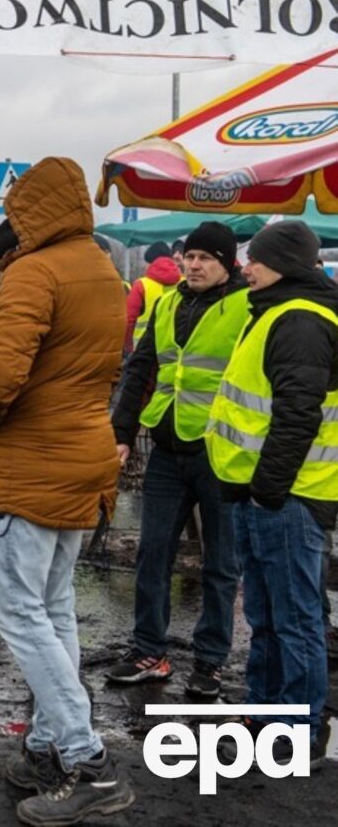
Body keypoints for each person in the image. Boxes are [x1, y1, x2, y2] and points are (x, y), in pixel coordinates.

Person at [0, 158, 133, 825]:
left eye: (17, 205)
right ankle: (44, 745)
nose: (12, 215)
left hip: (32, 467)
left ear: (38, 208)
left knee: (19, 614)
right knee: (55, 607)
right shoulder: (102, 265)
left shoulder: (34, 270)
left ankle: (89, 761)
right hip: (84, 460)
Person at [205, 220, 336, 766]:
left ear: (281, 262)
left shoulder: (300, 319)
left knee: (295, 618)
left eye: (253, 258)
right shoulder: (278, 310)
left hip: (287, 497)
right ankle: (263, 711)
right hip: (266, 494)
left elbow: (296, 415)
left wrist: (266, 489)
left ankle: (298, 728)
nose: (245, 266)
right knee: (266, 613)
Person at [108, 222, 249, 697]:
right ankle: (150, 650)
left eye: (206, 258)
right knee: (152, 551)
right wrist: (122, 430)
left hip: (220, 453)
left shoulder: (246, 308)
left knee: (221, 563)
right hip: (167, 447)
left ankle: (209, 661)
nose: (194, 264)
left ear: (227, 264)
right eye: (190, 256)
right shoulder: (167, 303)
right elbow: (141, 366)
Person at [125, 241, 181, 352]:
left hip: (143, 350)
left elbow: (129, 320)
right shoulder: (185, 283)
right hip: (175, 350)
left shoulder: (141, 285)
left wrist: (128, 346)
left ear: (151, 262)